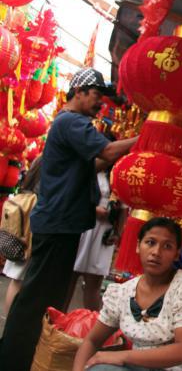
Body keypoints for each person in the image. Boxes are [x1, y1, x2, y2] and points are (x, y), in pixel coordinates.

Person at [0, 68, 138, 371]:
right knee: (38, 298)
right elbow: (106, 150)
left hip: (62, 222)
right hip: (59, 223)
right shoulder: (73, 122)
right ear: (78, 92)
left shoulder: (70, 123)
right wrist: (143, 138)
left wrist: (122, 150)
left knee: (45, 297)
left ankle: (23, 355)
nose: (100, 103)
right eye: (96, 96)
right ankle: (13, 359)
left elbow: (100, 159)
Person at [73, 217, 182, 371]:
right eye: (150, 242)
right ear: (138, 246)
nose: (156, 252)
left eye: (167, 246)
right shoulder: (122, 293)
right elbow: (92, 341)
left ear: (177, 254)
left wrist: (121, 356)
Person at [65, 170, 120, 312]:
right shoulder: (87, 169)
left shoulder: (118, 175)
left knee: (94, 283)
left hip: (104, 233)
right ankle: (56, 323)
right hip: (81, 226)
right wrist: (93, 210)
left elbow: (124, 208)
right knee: (68, 279)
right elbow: (72, 195)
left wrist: (118, 232)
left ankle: (91, 327)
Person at [1, 155, 42, 315]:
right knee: (19, 280)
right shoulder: (51, 161)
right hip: (27, 237)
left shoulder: (38, 162)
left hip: (17, 236)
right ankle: (11, 320)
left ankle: (8, 319)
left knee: (15, 280)